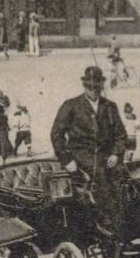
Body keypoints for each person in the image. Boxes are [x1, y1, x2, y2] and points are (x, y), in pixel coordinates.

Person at [50, 66, 130, 207]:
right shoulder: (70, 106)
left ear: (101, 85)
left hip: (106, 155)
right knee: (100, 178)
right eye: (89, 87)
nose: (93, 91)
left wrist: (116, 153)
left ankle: (120, 215)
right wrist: (67, 160)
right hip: (81, 156)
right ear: (84, 85)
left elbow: (121, 135)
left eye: (96, 87)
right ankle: (104, 220)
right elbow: (56, 135)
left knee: (123, 177)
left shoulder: (110, 106)